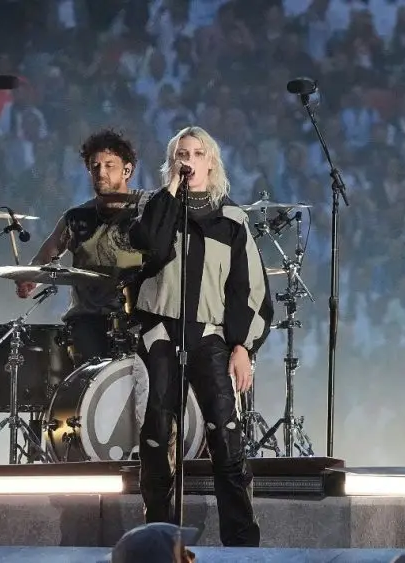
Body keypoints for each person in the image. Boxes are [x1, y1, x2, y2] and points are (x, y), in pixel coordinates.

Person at [129, 126, 273, 547]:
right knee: (158, 437)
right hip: (160, 330)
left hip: (209, 336)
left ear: (211, 161)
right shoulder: (158, 208)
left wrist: (243, 346)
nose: (188, 159)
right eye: (180, 154)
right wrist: (171, 190)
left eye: (196, 153)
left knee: (227, 439)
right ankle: (156, 540)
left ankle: (243, 547)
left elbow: (249, 289)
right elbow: (149, 246)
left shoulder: (232, 220)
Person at [16, 129, 144, 366]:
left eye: (109, 165)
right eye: (94, 167)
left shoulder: (148, 211)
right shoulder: (76, 217)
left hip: (139, 321)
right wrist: (29, 276)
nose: (101, 172)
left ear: (127, 170)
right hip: (88, 321)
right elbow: (46, 255)